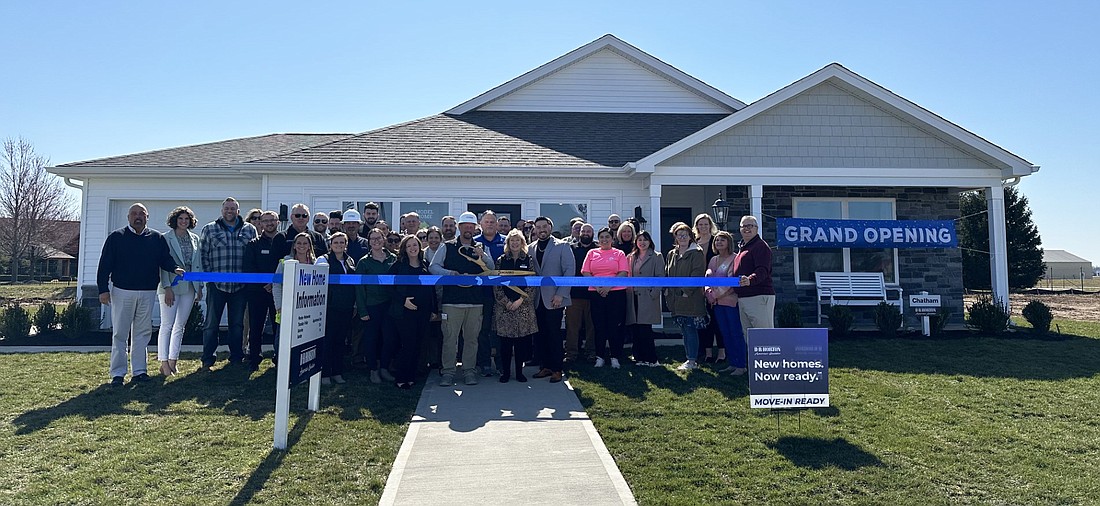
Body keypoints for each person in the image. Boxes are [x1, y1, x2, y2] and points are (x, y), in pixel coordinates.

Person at [98, 203, 184, 386]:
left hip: (147, 291)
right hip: (122, 291)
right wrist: (103, 290)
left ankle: (139, 371)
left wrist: (174, 268)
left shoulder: (156, 238)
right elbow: (104, 265)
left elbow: (164, 259)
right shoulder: (116, 237)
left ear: (147, 217)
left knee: (142, 334)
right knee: (120, 334)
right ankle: (118, 374)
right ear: (128, 217)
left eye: (141, 214)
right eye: (134, 214)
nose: (138, 217)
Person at [429, 211, 495, 386]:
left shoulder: (481, 247)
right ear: (459, 227)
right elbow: (433, 267)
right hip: (452, 301)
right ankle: (448, 372)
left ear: (475, 228)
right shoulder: (447, 246)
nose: (468, 229)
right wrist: (450, 273)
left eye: (471, 226)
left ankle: (469, 371)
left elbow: (492, 268)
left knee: (472, 339)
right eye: (465, 226)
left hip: (475, 301)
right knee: (450, 338)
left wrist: (483, 255)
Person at [198, 197, 258, 369]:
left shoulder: (250, 229)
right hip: (217, 285)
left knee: (237, 324)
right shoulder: (209, 229)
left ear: (238, 211)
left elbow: (252, 255)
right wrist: (209, 278)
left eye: (233, 208)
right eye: (227, 208)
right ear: (222, 210)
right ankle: (208, 358)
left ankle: (236, 357)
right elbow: (203, 255)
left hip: (240, 286)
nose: (229, 211)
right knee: (211, 324)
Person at [156, 206, 203, 377]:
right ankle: (163, 363)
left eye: (187, 219)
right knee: (167, 325)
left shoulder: (195, 239)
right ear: (175, 220)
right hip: (170, 287)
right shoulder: (165, 238)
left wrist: (199, 287)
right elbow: (162, 264)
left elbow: (198, 264)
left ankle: (173, 361)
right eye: (180, 219)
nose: (184, 222)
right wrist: (167, 287)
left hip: (190, 287)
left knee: (180, 326)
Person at [528, 216, 574, 382]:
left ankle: (557, 369)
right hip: (536, 299)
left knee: (554, 334)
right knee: (540, 335)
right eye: (538, 227)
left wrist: (561, 294)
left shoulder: (562, 246)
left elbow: (569, 271)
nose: (541, 230)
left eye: (544, 226)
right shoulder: (531, 247)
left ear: (550, 227)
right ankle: (545, 367)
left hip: (555, 298)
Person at [388, 235, 435, 389]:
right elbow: (388, 287)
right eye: (409, 246)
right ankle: (401, 378)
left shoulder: (425, 265)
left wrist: (433, 309)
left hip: (423, 311)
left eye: (415, 245)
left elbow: (431, 288)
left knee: (418, 345)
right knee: (407, 344)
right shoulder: (398, 265)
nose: (412, 248)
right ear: (404, 249)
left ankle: (411, 376)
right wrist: (403, 301)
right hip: (404, 312)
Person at [581, 226, 629, 369]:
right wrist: (598, 288)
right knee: (599, 326)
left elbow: (623, 272)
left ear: (612, 238)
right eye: (601, 237)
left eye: (607, 237)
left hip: (616, 294)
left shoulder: (619, 253)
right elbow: (586, 272)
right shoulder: (592, 253)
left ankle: (615, 357)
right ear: (598, 239)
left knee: (614, 326)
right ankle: (600, 357)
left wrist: (608, 287)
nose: (604, 239)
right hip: (596, 293)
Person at [355, 227, 397, 383]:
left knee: (389, 338)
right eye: (372, 239)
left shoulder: (393, 258)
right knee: (371, 339)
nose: (376, 241)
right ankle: (373, 369)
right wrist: (362, 310)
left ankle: (384, 368)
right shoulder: (364, 262)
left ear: (384, 239)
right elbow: (358, 288)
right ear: (369, 242)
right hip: (371, 305)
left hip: (390, 305)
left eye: (379, 238)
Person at [243, 210, 284, 371]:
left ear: (278, 222)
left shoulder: (283, 242)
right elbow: (249, 267)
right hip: (257, 291)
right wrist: (265, 283)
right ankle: (254, 358)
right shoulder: (253, 244)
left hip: (279, 292)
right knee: (256, 325)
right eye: (265, 221)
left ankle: (279, 358)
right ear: (260, 223)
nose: (269, 223)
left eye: (272, 220)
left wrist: (274, 284)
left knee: (278, 326)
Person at [494, 230, 537, 383]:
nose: (514, 243)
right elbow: (496, 284)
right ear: (508, 243)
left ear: (522, 243)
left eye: (517, 241)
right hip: (504, 308)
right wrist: (505, 301)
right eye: (512, 241)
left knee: (521, 344)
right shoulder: (501, 260)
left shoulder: (529, 260)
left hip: (522, 308)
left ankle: (519, 372)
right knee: (505, 345)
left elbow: (532, 284)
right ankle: (505, 373)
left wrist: (521, 300)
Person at [665, 222, 707, 371]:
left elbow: (697, 273)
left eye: (685, 234)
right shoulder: (672, 254)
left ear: (690, 236)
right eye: (679, 234)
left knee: (690, 328)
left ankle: (692, 360)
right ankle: (689, 358)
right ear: (675, 237)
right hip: (675, 299)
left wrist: (685, 291)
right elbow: (668, 274)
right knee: (684, 329)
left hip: (690, 298)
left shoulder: (696, 252)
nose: (682, 237)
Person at [315, 232, 356, 385]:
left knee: (340, 341)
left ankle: (337, 372)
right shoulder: (322, 260)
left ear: (346, 244)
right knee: (328, 341)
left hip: (346, 307)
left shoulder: (350, 261)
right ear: (330, 244)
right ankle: (325, 373)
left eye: (342, 242)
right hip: (329, 307)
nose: (339, 245)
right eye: (336, 242)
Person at [273, 232, 319, 361]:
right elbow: (276, 285)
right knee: (282, 340)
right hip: (287, 308)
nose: (302, 246)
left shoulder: (316, 264)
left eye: (305, 243)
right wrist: (279, 305)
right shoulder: (284, 262)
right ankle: (282, 365)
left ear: (310, 246)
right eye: (298, 243)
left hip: (308, 310)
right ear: (294, 246)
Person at [707, 230, 747, 375]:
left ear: (728, 242)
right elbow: (707, 278)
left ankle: (741, 365)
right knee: (725, 333)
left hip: (730, 302)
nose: (719, 243)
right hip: (716, 304)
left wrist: (716, 295)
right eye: (717, 240)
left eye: (722, 240)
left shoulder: (735, 259)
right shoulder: (713, 260)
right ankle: (732, 363)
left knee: (735, 333)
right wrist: (709, 294)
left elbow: (731, 282)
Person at [625, 230, 664, 367]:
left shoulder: (656, 256)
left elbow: (660, 277)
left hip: (647, 298)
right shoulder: (631, 257)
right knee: (635, 328)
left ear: (650, 241)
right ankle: (638, 357)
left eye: (645, 240)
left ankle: (651, 359)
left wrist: (654, 294)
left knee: (645, 329)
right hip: (633, 297)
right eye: (640, 239)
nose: (642, 242)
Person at [473, 210, 505, 377]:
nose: (490, 224)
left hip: (502, 293)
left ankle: (501, 363)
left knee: (500, 329)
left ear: (497, 224)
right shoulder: (474, 242)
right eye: (486, 222)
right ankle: (484, 363)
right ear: (481, 224)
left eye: (493, 221)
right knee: (483, 329)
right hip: (482, 293)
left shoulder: (506, 242)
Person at [733, 215, 775, 338]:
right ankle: (754, 358)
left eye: (750, 226)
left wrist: (750, 280)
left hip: (759, 296)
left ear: (757, 228)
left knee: (764, 337)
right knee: (749, 337)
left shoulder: (760, 246)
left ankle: (768, 358)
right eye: (743, 226)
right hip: (743, 297)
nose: (746, 229)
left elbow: (763, 270)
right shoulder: (743, 248)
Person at [693, 213, 724, 364]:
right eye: (701, 224)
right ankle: (707, 352)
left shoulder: (716, 241)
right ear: (697, 226)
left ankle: (722, 353)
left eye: (706, 224)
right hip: (697, 287)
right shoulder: (694, 242)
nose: (703, 227)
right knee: (703, 321)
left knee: (717, 320)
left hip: (714, 285)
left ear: (710, 225)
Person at [565, 223, 596, 364]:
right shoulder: (571, 248)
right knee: (572, 327)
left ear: (592, 234)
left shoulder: (598, 249)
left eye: (588, 231)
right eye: (583, 231)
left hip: (593, 295)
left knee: (592, 327)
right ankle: (571, 353)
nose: (585, 233)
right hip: (574, 295)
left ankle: (591, 352)